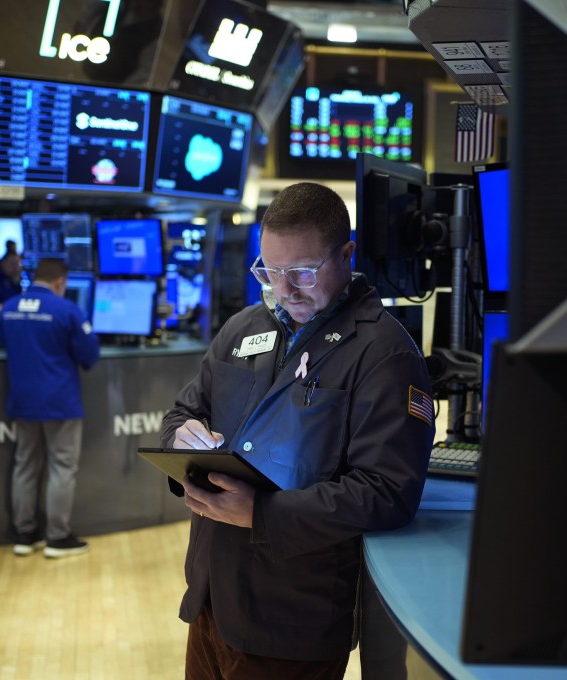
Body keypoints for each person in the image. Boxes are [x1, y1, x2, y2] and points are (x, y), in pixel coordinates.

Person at [160, 182, 435, 678]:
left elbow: (388, 491)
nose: (284, 291)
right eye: (269, 271)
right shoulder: (244, 328)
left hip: (290, 620)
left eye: (302, 273)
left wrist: (262, 513)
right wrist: (181, 440)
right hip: (209, 598)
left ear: (347, 256)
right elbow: (183, 413)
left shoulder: (384, 353)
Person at [0, 257, 101, 558]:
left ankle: (25, 534)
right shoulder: (67, 310)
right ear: (61, 282)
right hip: (60, 402)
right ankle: (57, 537)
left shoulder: (10, 309)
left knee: (25, 465)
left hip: (22, 400)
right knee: (62, 467)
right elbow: (90, 356)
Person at [0, 241, 23, 309]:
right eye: (13, 264)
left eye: (18, 264)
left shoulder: (17, 281)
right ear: (4, 263)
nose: (16, 268)